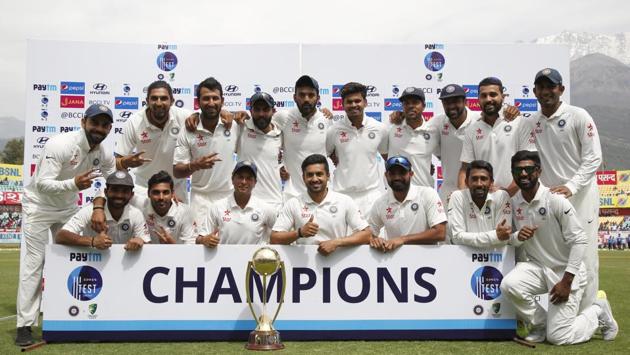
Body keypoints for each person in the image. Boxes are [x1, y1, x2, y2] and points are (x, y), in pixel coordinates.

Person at [16, 104, 116, 346]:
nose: (99, 129)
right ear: (83, 122)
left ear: (110, 128)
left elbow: (108, 177)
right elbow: (42, 184)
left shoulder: (103, 153)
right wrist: (73, 184)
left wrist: (99, 205)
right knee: (34, 263)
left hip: (67, 208)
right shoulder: (59, 145)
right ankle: (25, 326)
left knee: (76, 259)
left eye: (104, 125)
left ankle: (69, 316)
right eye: (95, 123)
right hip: (38, 208)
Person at [500, 150, 618, 345]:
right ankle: (539, 324)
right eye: (518, 170)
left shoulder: (555, 200)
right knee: (509, 285)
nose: (523, 174)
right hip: (538, 268)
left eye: (528, 169)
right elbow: (510, 241)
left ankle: (597, 312)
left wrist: (567, 280)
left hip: (565, 271)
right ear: (513, 173)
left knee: (558, 337)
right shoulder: (515, 203)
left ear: (538, 171)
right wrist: (516, 237)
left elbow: (579, 240)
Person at [517, 68, 602, 309]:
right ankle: (560, 311)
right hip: (550, 200)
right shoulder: (530, 122)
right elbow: (526, 160)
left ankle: (591, 312)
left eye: (551, 87)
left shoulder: (578, 116)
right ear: (534, 92)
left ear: (561, 89)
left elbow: (593, 157)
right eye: (541, 87)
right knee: (552, 256)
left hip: (581, 196)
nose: (546, 92)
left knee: (584, 256)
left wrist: (572, 186)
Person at [271, 154, 371, 255]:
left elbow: (366, 234)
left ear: (328, 176)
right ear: (303, 177)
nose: (314, 179)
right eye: (310, 175)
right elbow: (274, 239)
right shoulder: (293, 203)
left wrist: (336, 242)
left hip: (338, 264)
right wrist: (299, 233)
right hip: (304, 266)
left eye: (319, 174)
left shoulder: (344, 201)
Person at [173, 77, 240, 223]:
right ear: (198, 102)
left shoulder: (234, 125)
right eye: (206, 99)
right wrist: (195, 165)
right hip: (200, 200)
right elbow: (177, 171)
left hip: (229, 197)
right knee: (200, 243)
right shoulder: (188, 129)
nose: (211, 103)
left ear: (222, 101)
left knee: (229, 244)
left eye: (215, 98)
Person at [114, 81, 191, 205]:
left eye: (164, 98)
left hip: (176, 188)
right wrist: (124, 162)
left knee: (178, 224)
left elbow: (209, 117)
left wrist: (224, 113)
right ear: (147, 101)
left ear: (172, 101)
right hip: (144, 189)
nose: (159, 103)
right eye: (154, 98)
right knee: (143, 224)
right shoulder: (134, 122)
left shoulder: (184, 116)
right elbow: (117, 161)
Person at [459, 77, 533, 195]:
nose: (488, 99)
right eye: (483, 96)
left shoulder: (520, 123)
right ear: (478, 99)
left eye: (493, 94)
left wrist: (507, 193)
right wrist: (463, 198)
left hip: (517, 199)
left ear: (503, 97)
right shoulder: (471, 129)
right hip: (483, 201)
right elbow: (465, 169)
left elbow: (529, 165)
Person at [326, 82, 387, 213]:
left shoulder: (379, 128)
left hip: (371, 196)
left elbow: (388, 157)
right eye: (349, 102)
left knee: (373, 234)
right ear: (342, 104)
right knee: (343, 235)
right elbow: (323, 154)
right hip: (342, 195)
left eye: (357, 101)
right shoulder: (334, 130)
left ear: (365, 102)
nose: (353, 105)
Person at [368, 156, 446, 252]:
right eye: (392, 173)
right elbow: (369, 234)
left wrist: (403, 239)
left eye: (402, 172)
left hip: (427, 259)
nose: (397, 177)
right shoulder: (380, 203)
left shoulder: (427, 194)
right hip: (394, 260)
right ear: (386, 175)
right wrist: (375, 240)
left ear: (411, 174)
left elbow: (440, 232)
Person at [56, 170, 150, 249]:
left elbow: (147, 244)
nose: (119, 195)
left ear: (131, 195)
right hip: (92, 264)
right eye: (115, 190)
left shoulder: (136, 214)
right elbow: (60, 236)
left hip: (124, 265)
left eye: (125, 191)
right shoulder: (90, 211)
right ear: (105, 192)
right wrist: (92, 241)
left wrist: (140, 241)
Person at [274, 75, 332, 201]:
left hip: (321, 194)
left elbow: (335, 154)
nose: (306, 99)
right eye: (302, 95)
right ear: (295, 97)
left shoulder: (326, 120)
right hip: (292, 195)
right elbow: (262, 136)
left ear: (318, 98)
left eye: (311, 95)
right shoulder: (283, 117)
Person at [196, 161, 276, 246]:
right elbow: (199, 239)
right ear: (232, 179)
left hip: (254, 259)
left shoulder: (266, 209)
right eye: (240, 177)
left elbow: (280, 235)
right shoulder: (217, 207)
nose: (244, 182)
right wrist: (204, 240)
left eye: (249, 178)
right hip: (224, 258)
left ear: (255, 183)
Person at [448, 160, 513, 247]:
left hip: (495, 258)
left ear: (491, 182)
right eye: (474, 179)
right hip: (463, 258)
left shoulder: (501, 196)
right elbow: (456, 237)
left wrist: (467, 238)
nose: (479, 184)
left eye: (483, 179)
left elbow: (504, 238)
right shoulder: (457, 196)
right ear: (466, 182)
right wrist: (494, 236)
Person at [237, 92, 283, 209]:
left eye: (266, 109)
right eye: (257, 109)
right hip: (247, 203)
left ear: (273, 111)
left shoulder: (280, 134)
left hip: (274, 203)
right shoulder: (241, 128)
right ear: (251, 111)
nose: (261, 114)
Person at [386, 88, 438, 188]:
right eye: (406, 103)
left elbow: (442, 156)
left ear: (424, 106)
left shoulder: (433, 131)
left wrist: (425, 164)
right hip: (397, 191)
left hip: (424, 191)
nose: (410, 106)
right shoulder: (392, 127)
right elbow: (384, 153)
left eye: (415, 102)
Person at [143, 171, 195, 244]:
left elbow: (191, 247)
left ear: (172, 193)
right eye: (156, 192)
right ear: (148, 193)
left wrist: (172, 246)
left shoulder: (185, 212)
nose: (161, 197)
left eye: (165, 192)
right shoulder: (141, 211)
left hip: (178, 255)